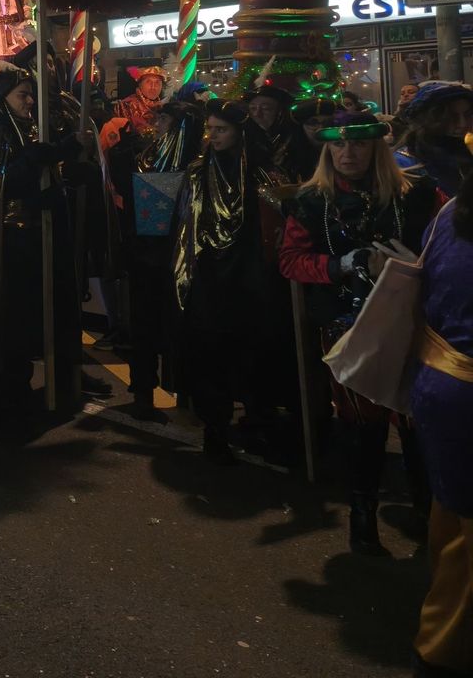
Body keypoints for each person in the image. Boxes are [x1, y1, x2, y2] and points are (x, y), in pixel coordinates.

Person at [279, 112, 440, 554]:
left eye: (359, 145)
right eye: (338, 146)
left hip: (412, 321)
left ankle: (428, 514)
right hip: (348, 325)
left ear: (376, 148)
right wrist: (344, 264)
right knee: (362, 424)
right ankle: (362, 520)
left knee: (414, 419)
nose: (348, 154)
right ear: (327, 150)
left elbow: (449, 247)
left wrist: (414, 263)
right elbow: (291, 262)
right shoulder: (310, 201)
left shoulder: (419, 195)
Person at [0, 62, 91, 417]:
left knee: (35, 313)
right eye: (23, 94)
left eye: (31, 94)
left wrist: (66, 164)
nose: (30, 100)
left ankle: (40, 381)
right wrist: (38, 164)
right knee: (9, 316)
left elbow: (43, 171)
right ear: (3, 97)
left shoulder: (28, 128)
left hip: (34, 235)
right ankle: (4, 391)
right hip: (7, 240)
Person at [173, 102, 281, 463]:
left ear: (238, 131)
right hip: (209, 275)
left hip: (249, 274)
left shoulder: (259, 172)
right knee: (210, 353)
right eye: (210, 129)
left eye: (220, 129)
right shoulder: (197, 171)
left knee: (253, 352)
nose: (212, 136)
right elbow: (185, 225)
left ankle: (258, 422)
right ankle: (215, 428)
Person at [408, 151, 473, 676]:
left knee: (452, 523)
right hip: (462, 390)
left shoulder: (449, 213)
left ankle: (443, 642)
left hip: (439, 384)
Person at [107, 98, 200, 421]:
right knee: (144, 325)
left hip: (183, 257)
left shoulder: (197, 160)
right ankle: (143, 391)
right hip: (145, 254)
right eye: (157, 120)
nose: (156, 126)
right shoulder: (141, 153)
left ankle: (188, 392)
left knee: (183, 327)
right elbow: (119, 177)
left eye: (164, 122)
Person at [395, 81, 473, 198]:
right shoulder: (405, 162)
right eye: (451, 116)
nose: (462, 124)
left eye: (467, 115)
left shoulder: (467, 152)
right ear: (428, 119)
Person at [245, 81, 315, 181]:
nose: (257, 114)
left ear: (281, 113)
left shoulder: (296, 140)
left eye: (266, 109)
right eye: (252, 108)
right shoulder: (245, 140)